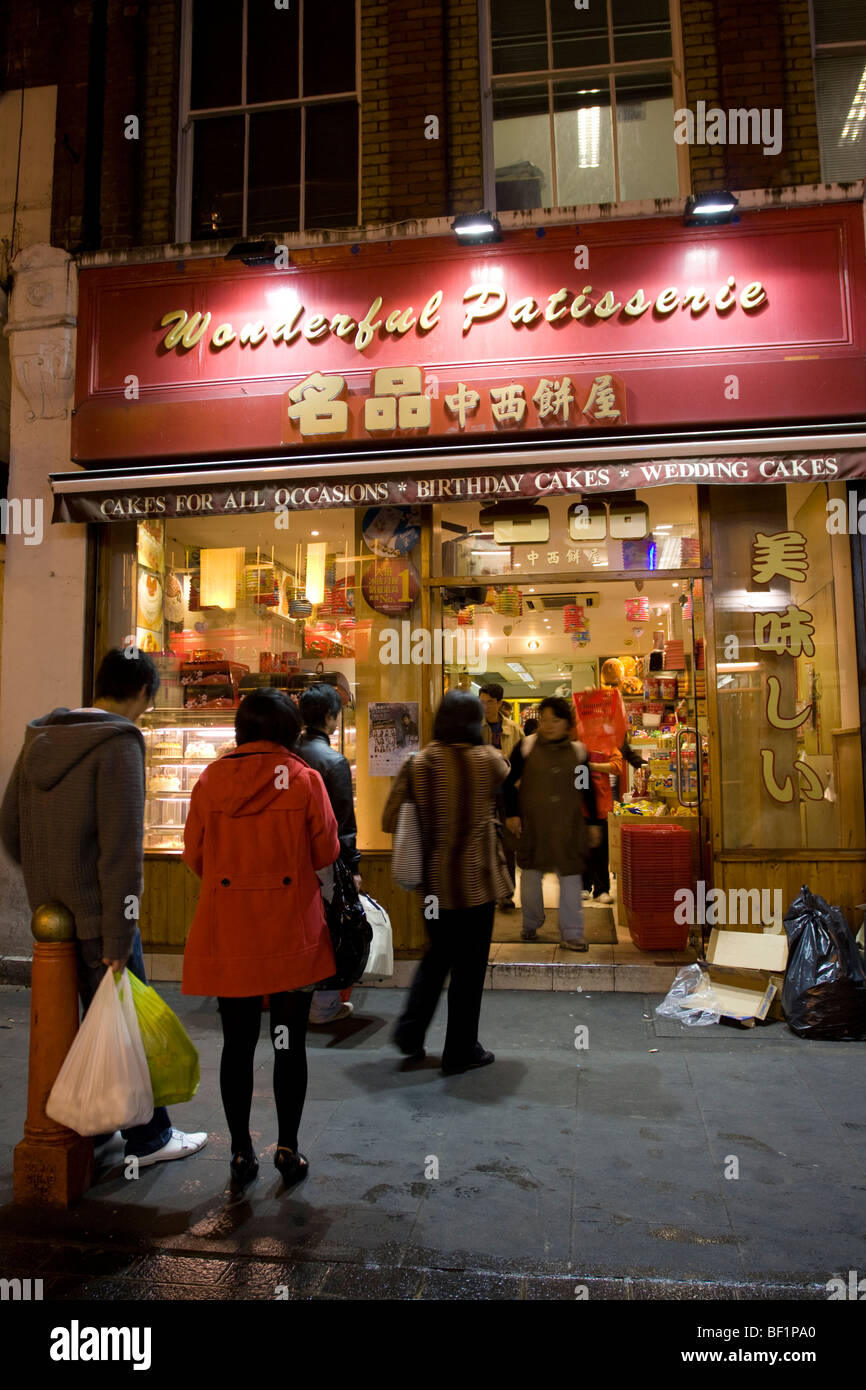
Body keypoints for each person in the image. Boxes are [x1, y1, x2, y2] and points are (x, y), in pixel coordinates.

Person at [0, 648, 207, 1168]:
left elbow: (8, 827)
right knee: (125, 1023)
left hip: (51, 914)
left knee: (78, 1026)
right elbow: (120, 851)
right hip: (100, 914)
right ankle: (150, 1138)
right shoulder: (119, 742)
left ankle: (91, 1127)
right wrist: (120, 933)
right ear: (142, 692)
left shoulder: (41, 738)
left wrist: (49, 879)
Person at [181, 688, 340, 1190]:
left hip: (230, 930)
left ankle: (241, 1153)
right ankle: (288, 1149)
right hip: (290, 930)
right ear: (291, 730)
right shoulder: (305, 780)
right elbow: (325, 851)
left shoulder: (210, 780)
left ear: (241, 729)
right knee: (289, 1043)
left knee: (237, 1043)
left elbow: (194, 855)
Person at [382, 690, 511, 1074]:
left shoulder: (419, 764)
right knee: (470, 970)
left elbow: (389, 820)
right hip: (478, 884)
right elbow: (506, 777)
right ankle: (460, 1050)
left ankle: (410, 1032)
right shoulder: (489, 761)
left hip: (435, 887)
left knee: (437, 957)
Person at [503, 696, 601, 950]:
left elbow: (586, 789)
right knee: (531, 878)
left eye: (554, 720)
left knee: (570, 879)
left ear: (566, 723)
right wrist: (512, 815)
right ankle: (530, 924)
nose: (548, 725)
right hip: (533, 826)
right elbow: (509, 784)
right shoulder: (526, 747)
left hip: (569, 827)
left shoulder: (578, 752)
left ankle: (572, 933)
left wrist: (592, 823)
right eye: (544, 719)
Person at [296, 682, 360, 1026]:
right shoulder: (333, 762)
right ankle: (323, 1005)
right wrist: (352, 866)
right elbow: (344, 823)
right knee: (329, 928)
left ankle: (294, 996)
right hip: (325, 860)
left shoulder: (288, 754)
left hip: (290, 860)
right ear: (330, 716)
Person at [478, 682, 523, 910]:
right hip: (483, 794)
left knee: (508, 844)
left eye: (489, 702)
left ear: (499, 703)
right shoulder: (475, 728)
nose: (485, 706)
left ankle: (506, 893)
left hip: (507, 793)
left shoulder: (514, 730)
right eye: (482, 702)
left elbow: (523, 763)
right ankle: (486, 894)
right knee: (484, 843)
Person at [583, 746, 624, 904]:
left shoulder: (608, 745)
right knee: (583, 848)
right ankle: (584, 886)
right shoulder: (578, 743)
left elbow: (618, 766)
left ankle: (601, 889)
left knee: (601, 849)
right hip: (580, 805)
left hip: (602, 804)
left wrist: (592, 766)